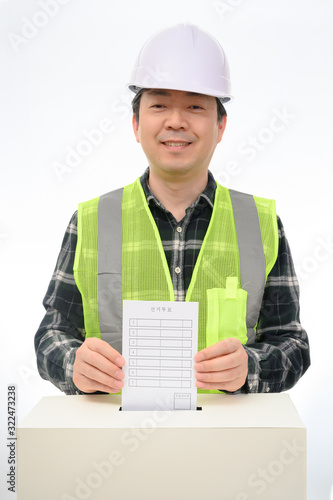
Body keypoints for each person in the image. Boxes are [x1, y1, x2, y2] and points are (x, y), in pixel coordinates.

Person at [34, 24, 310, 396]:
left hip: (228, 444)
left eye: (195, 106)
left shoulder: (260, 224)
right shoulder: (91, 221)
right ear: (135, 124)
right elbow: (52, 335)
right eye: (160, 104)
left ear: (221, 125)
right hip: (112, 439)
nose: (176, 121)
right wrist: (72, 364)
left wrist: (252, 367)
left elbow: (292, 343)